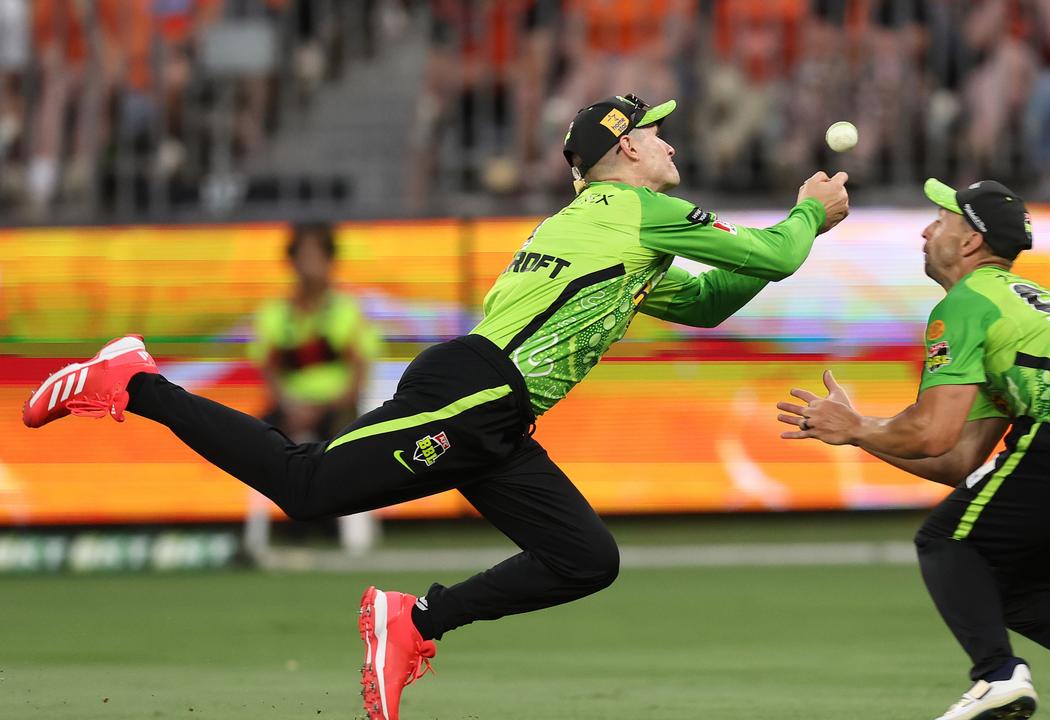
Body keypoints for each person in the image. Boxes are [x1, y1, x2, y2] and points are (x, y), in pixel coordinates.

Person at [22, 93, 850, 720]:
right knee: (306, 489)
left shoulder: (610, 229)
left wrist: (799, 236)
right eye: (658, 131)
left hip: (497, 411)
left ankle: (416, 620)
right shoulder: (638, 211)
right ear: (627, 147)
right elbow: (775, 250)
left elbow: (711, 303)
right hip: (477, 391)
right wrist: (814, 212)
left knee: (584, 558)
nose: (672, 142)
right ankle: (134, 381)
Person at [776, 178, 1050, 720]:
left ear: (970, 242)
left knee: (945, 543)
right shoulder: (1021, 303)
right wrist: (859, 432)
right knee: (1005, 583)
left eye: (943, 220)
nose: (928, 229)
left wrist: (858, 425)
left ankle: (998, 679)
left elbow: (932, 433)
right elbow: (957, 460)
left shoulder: (967, 303)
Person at [250, 222, 378, 444]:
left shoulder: (348, 310)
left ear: (330, 260)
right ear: (292, 260)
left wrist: (318, 411)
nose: (310, 264)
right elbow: (270, 371)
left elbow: (358, 374)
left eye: (317, 254)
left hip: (337, 412)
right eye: (304, 255)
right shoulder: (275, 313)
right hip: (289, 411)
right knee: (252, 440)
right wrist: (292, 408)